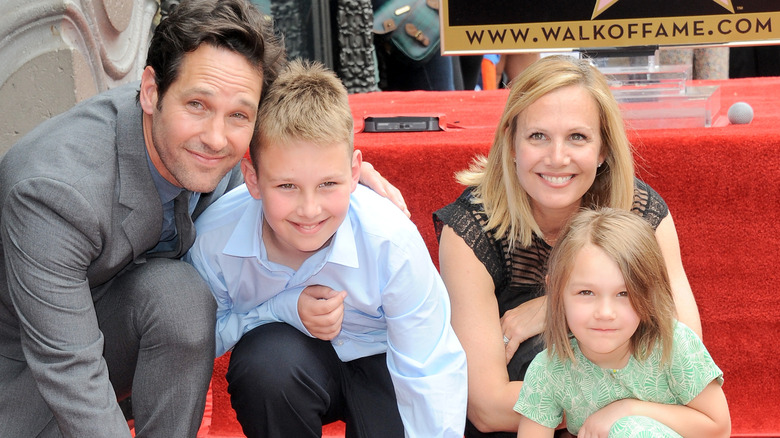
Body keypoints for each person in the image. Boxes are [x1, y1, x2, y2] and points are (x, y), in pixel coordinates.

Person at [0, 0, 406, 436]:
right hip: (27, 376)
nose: (215, 138)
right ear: (152, 91)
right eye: (197, 104)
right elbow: (68, 367)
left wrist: (336, 181)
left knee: (179, 296)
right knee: (179, 296)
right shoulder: (53, 191)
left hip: (117, 330)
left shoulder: (218, 151)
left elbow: (286, 163)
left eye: (238, 115)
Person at [185, 59, 467, 438]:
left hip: (385, 361)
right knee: (265, 365)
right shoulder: (214, 241)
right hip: (295, 364)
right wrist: (281, 309)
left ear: (354, 173)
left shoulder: (391, 241)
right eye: (286, 186)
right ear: (252, 179)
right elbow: (201, 341)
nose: (309, 209)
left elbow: (428, 366)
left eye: (328, 184)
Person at [433, 55, 702, 437]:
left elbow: (685, 357)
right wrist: (616, 406)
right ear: (510, 142)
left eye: (577, 137)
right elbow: (487, 406)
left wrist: (556, 304)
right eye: (537, 136)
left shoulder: (640, 212)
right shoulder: (471, 228)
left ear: (604, 148)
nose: (557, 158)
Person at [513, 208, 730, 437]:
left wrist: (628, 409)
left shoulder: (675, 344)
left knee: (628, 430)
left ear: (648, 293)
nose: (605, 313)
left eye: (624, 294)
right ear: (556, 291)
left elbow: (719, 428)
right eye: (586, 292)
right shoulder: (549, 368)